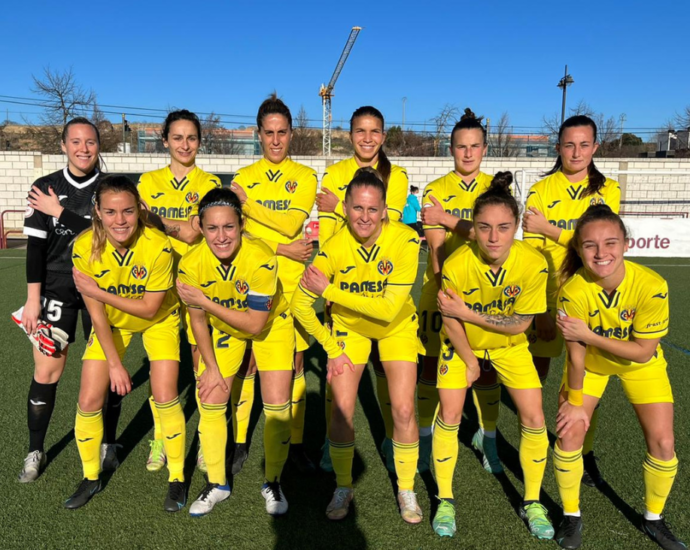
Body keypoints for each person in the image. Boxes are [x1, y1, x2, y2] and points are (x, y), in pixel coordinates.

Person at [292, 168, 423, 524]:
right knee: (341, 411)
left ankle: (406, 488)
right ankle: (343, 486)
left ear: (384, 210)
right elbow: (299, 305)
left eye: (372, 209)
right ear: (346, 208)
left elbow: (388, 309)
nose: (365, 217)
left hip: (395, 327)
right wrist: (331, 347)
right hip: (350, 329)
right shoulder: (333, 247)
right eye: (357, 208)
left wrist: (330, 292)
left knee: (403, 410)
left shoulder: (406, 240)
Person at [552, 205, 684, 550]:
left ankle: (653, 519)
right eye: (590, 245)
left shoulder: (652, 285)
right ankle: (571, 515)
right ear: (578, 248)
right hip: (591, 366)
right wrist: (575, 403)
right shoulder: (572, 291)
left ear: (626, 244)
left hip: (641, 367)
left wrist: (590, 335)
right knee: (569, 433)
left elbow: (642, 352)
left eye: (610, 243)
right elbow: (576, 356)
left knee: (664, 443)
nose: (601, 253)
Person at [433, 172, 553, 541]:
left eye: (503, 227)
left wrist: (469, 313)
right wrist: (470, 361)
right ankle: (445, 499)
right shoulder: (456, 264)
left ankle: (532, 501)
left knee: (534, 417)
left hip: (509, 346)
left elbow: (520, 325)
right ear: (474, 228)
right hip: (460, 344)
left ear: (516, 227)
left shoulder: (533, 263)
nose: (494, 237)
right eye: (484, 227)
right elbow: (450, 320)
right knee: (450, 414)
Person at [64, 175, 186, 512]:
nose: (120, 220)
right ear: (97, 212)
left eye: (128, 211)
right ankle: (91, 477)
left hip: (158, 320)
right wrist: (115, 365)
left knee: (165, 394)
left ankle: (177, 477)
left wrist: (98, 292)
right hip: (113, 323)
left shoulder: (158, 245)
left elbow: (149, 309)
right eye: (111, 212)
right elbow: (96, 314)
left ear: (140, 210)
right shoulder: (83, 247)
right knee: (89, 399)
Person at [177, 187, 294, 517]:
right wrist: (211, 368)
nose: (221, 236)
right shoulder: (191, 263)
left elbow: (255, 325)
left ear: (241, 224)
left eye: (229, 226)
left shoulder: (261, 257)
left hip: (271, 326)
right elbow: (197, 321)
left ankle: (273, 482)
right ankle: (217, 484)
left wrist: (205, 301)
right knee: (210, 398)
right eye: (212, 228)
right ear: (200, 228)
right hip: (226, 329)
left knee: (277, 406)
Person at [16, 117, 120, 482]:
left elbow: (108, 237)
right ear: (63, 145)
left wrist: (59, 212)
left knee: (106, 368)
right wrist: (33, 299)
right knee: (47, 370)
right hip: (56, 287)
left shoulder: (110, 188)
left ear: (98, 146)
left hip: (100, 287)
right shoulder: (44, 187)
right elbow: (35, 249)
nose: (83, 148)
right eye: (75, 141)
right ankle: (35, 450)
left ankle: (107, 442)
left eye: (90, 142)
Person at [522, 115, 620, 487]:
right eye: (568, 144)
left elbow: (600, 245)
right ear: (558, 147)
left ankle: (582, 452)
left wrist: (549, 228)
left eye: (584, 144)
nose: (576, 152)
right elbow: (532, 254)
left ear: (595, 147)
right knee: (537, 374)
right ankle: (534, 438)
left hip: (593, 300)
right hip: (549, 298)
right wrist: (540, 309)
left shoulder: (608, 190)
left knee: (585, 383)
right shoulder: (541, 189)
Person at [316, 106, 410, 472]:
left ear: (383, 136)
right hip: (346, 281)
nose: (367, 138)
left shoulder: (396, 176)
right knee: (337, 375)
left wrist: (339, 206)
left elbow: (388, 226)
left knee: (387, 371)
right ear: (350, 134)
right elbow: (329, 235)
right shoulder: (335, 173)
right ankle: (332, 440)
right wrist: (331, 282)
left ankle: (390, 436)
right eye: (360, 131)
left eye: (374, 131)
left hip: (384, 285)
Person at [229, 94, 317, 475]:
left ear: (292, 133)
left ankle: (294, 443)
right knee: (247, 362)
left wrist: (249, 205)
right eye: (269, 133)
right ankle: (239, 442)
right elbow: (241, 234)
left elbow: (290, 222)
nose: (276, 140)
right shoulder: (243, 176)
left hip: (293, 286)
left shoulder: (306, 176)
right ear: (258, 134)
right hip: (251, 283)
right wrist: (283, 247)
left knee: (296, 363)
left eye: (282, 132)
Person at [137, 109, 221, 473]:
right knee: (162, 371)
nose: (184, 145)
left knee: (203, 365)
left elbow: (195, 233)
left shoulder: (210, 182)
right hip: (158, 284)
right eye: (177, 137)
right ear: (165, 141)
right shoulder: (147, 182)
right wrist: (175, 226)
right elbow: (143, 228)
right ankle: (160, 438)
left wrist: (158, 220)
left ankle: (205, 439)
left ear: (199, 141)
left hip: (199, 284)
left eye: (191, 138)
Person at [416, 109, 493, 473]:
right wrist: (445, 293)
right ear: (450, 149)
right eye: (461, 146)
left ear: (485, 149)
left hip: (487, 295)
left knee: (486, 368)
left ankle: (486, 436)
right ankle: (424, 435)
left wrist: (448, 219)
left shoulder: (496, 189)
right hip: (440, 291)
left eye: (475, 146)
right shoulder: (435, 189)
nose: (468, 153)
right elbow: (437, 248)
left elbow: (493, 237)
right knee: (431, 365)